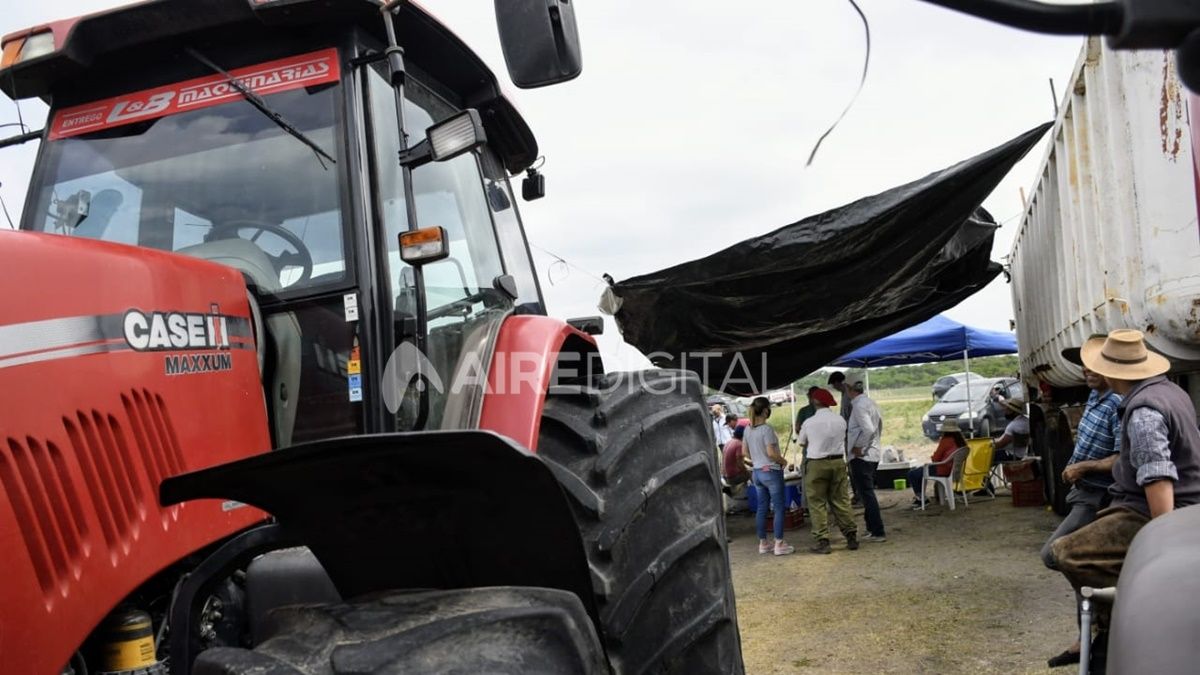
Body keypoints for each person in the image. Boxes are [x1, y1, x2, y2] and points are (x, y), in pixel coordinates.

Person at [1050, 330, 1200, 672]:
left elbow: (1158, 477)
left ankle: (1123, 619)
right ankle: (1113, 618)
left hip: (1158, 512)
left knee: (1066, 552)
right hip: (1163, 505)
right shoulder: (1169, 391)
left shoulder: (1144, 411)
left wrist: (1163, 550)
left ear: (1111, 372)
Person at [1042, 337, 1123, 669]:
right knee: (1080, 565)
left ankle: (1098, 627)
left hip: (1096, 495)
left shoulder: (1117, 402)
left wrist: (1083, 467)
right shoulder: (1094, 394)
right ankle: (1089, 636)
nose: (1087, 370)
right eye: (1084, 364)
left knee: (1055, 554)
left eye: (1094, 365)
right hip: (1082, 491)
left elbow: (1120, 459)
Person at [798, 388, 857, 554]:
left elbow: (802, 443)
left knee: (817, 503)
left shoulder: (809, 422)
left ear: (814, 401)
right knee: (841, 500)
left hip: (816, 464)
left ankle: (823, 541)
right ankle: (851, 536)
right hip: (838, 462)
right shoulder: (840, 420)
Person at [745, 397, 795, 556]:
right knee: (779, 508)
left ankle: (763, 543)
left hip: (757, 473)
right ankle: (779, 544)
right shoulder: (766, 429)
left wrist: (757, 459)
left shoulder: (748, 429)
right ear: (766, 410)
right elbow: (771, 453)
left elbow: (744, 453)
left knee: (761, 508)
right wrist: (783, 461)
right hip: (771, 472)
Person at [847, 381, 886, 542]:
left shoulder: (858, 406)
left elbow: (868, 429)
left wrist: (860, 447)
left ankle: (878, 530)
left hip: (863, 456)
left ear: (849, 390)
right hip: (873, 453)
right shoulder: (870, 402)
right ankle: (871, 528)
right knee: (866, 493)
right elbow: (879, 426)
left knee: (867, 494)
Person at [907, 420, 967, 507]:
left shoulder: (946, 441)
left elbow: (935, 459)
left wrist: (934, 456)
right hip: (954, 471)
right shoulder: (962, 442)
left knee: (912, 473)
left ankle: (921, 498)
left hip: (942, 470)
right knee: (919, 472)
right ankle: (922, 497)